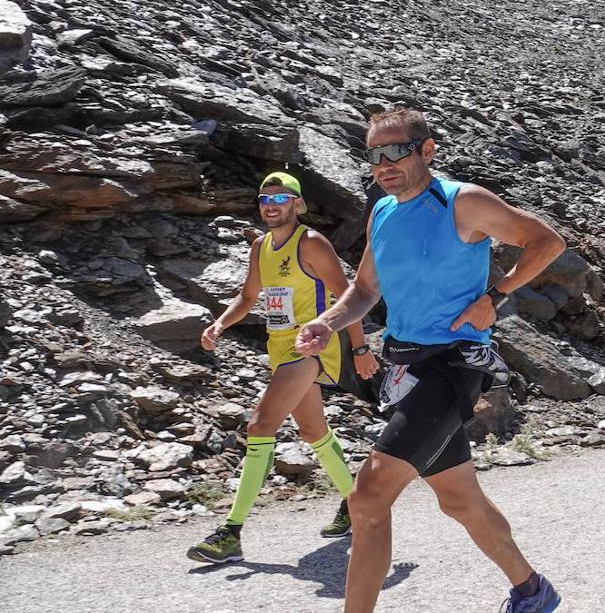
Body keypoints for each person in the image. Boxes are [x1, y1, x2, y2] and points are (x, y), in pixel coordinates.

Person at [294, 109, 566, 613]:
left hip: (454, 365)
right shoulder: (383, 211)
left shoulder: (463, 201)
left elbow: (547, 242)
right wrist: (326, 323)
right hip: (405, 369)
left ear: (427, 149)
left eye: (395, 150)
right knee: (460, 500)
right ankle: (533, 591)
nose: (383, 164)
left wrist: (496, 293)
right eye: (374, 154)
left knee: (369, 497)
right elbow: (364, 289)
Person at [187, 172, 379, 563]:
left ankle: (231, 532)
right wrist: (222, 323)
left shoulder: (311, 243)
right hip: (279, 350)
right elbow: (248, 295)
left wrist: (359, 348)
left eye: (280, 198)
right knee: (312, 430)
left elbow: (351, 296)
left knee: (260, 424)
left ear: (296, 204)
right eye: (264, 199)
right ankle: (357, 502)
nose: (270, 205)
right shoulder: (260, 247)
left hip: (311, 348)